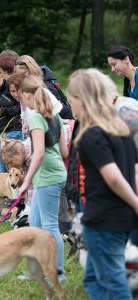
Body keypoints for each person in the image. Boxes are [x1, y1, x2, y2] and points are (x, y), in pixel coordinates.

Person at [67, 68, 138, 299]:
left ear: (83, 99)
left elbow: (114, 177)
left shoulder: (92, 135)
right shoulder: (120, 129)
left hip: (104, 218)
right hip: (122, 217)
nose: (72, 106)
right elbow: (134, 171)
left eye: (72, 100)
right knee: (93, 278)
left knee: (113, 280)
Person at [18, 75, 69, 281]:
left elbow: (38, 153)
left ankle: (58, 273)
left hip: (48, 177)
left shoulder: (36, 118)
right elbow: (64, 152)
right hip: (51, 175)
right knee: (35, 221)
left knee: (49, 225)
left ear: (26, 95)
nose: (20, 100)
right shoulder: (54, 117)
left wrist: (26, 181)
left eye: (20, 96)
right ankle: (37, 270)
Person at [14, 55, 73, 119]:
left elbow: (54, 113)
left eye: (23, 75)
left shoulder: (45, 86)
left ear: (31, 70)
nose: (21, 78)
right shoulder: (29, 86)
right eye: (18, 75)